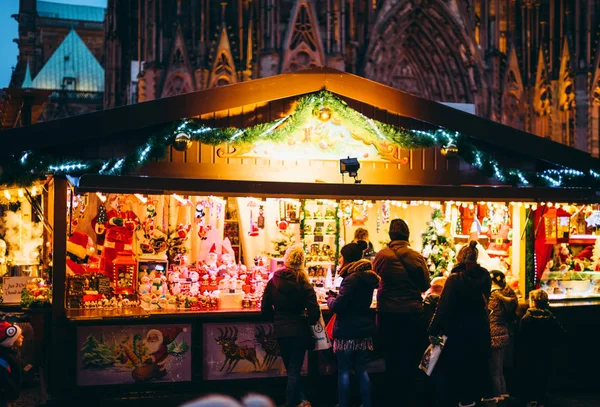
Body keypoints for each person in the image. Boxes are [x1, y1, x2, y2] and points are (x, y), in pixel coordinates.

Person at [429, 241, 495, 407]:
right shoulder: (485, 276)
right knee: (480, 366)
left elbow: (443, 307)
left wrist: (432, 329)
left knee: (462, 370)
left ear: (459, 260)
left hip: (460, 331)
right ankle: (487, 399)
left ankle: (467, 402)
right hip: (480, 328)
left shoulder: (455, 279)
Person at [373, 218, 430, 406]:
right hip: (412, 315)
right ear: (408, 235)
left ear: (391, 235)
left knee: (391, 356)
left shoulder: (381, 256)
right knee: (410, 356)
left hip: (388, 315)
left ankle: (392, 397)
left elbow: (374, 282)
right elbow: (425, 285)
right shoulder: (416, 257)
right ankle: (410, 397)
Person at [261, 245, 320, 407]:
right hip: (299, 330)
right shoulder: (305, 284)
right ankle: (292, 402)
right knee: (294, 370)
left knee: (291, 370)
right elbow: (314, 312)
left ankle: (301, 401)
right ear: (302, 261)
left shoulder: (274, 281)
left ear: (286, 259)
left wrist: (276, 318)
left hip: (281, 330)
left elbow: (265, 308)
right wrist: (309, 320)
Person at [327, 241, 379, 407]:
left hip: (347, 331)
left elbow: (339, 306)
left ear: (347, 259)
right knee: (362, 370)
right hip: (364, 331)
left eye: (341, 256)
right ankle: (367, 403)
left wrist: (330, 299)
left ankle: (343, 404)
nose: (339, 259)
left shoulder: (351, 279)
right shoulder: (367, 277)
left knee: (343, 371)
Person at [517, 290, 566, 407]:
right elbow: (561, 334)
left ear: (533, 303)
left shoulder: (526, 318)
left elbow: (521, 338)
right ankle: (542, 399)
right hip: (546, 352)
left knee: (530, 376)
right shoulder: (550, 317)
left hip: (529, 353)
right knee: (543, 376)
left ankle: (531, 399)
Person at [488, 270, 518, 400]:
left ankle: (498, 397)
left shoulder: (492, 297)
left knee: (494, 371)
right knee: (500, 370)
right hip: (504, 333)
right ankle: (504, 394)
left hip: (494, 335)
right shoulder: (507, 294)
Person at [0, 320, 23, 407]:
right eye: (19, 336)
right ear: (10, 340)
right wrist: (12, 393)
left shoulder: (12, 353)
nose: (22, 337)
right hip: (5, 396)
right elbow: (5, 380)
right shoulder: (3, 359)